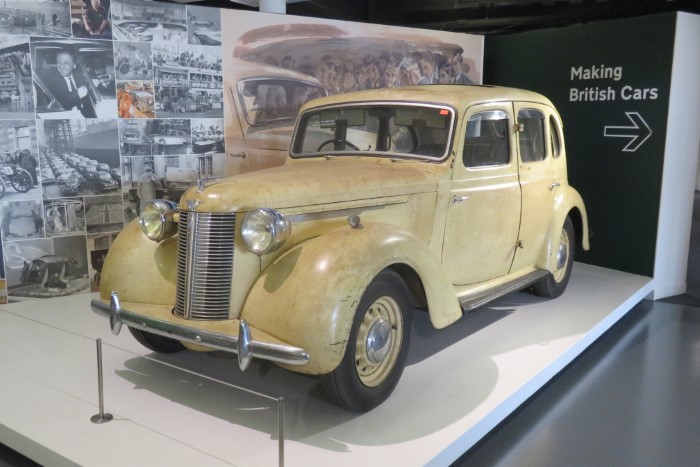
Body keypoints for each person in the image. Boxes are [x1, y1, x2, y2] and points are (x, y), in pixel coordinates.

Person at [43, 50, 96, 118]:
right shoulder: (51, 79)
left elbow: (90, 102)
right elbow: (59, 102)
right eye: (59, 62)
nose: (61, 66)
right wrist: (79, 93)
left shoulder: (80, 77)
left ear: (74, 66)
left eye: (66, 63)